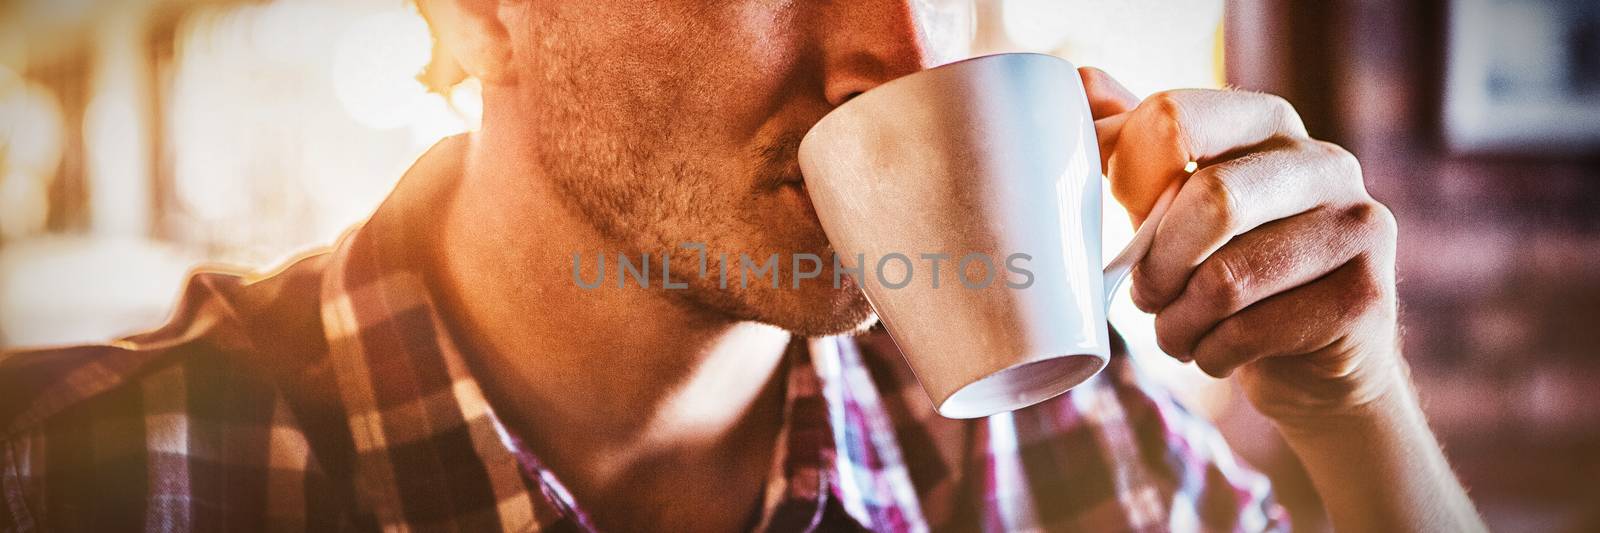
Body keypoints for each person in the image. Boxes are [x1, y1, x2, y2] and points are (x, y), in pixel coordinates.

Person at [0, 1, 1486, 531]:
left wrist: (1356, 412)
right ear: (476, 16)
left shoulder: (1075, 456)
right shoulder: (89, 481)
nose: (897, 52)